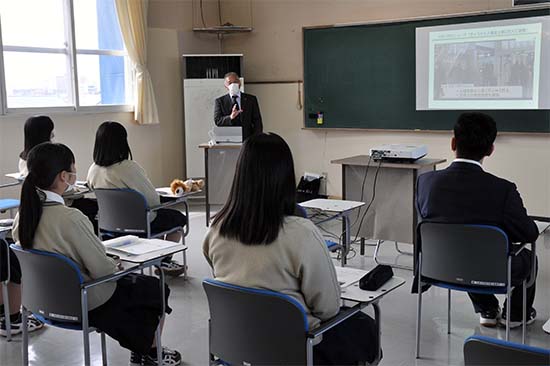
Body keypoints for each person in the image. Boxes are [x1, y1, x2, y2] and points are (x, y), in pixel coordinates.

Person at [203, 133, 379, 365]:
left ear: (240, 175)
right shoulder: (301, 233)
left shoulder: (216, 229)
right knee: (364, 326)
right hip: (297, 350)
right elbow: (328, 309)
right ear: (286, 178)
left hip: (237, 346)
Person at [12, 142, 181, 366]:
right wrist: (116, 263)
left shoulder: (22, 217)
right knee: (154, 288)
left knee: (136, 290)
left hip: (43, 302)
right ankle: (149, 352)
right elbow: (102, 270)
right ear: (64, 176)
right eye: (73, 169)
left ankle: (143, 349)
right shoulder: (70, 218)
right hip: (83, 301)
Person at [416, 112, 538, 328]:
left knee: (464, 246)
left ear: (453, 143)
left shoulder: (425, 182)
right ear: (490, 150)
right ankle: (516, 316)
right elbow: (529, 233)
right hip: (492, 271)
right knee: (528, 258)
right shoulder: (502, 190)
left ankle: (487, 309)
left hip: (439, 267)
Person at [87, 121, 187, 277]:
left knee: (158, 218)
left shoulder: (93, 169)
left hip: (108, 227)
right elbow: (152, 200)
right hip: (141, 226)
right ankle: (163, 260)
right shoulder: (128, 167)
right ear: (122, 143)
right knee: (178, 218)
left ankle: (158, 258)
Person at [19, 115, 99, 231]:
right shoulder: (47, 160)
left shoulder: (24, 158)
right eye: (51, 133)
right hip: (60, 202)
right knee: (93, 207)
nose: (53, 136)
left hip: (40, 204)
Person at [213, 72, 263, 140]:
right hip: (228, 139)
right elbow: (218, 121)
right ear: (225, 86)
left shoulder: (251, 99)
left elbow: (257, 121)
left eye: (235, 82)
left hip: (248, 139)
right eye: (230, 83)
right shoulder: (220, 101)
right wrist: (230, 117)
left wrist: (257, 138)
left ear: (240, 83)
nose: (233, 85)